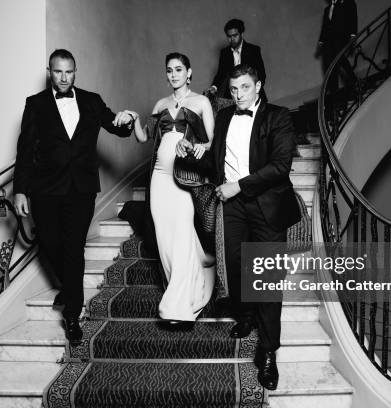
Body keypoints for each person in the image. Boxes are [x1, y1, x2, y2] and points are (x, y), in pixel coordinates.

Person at [13, 49, 134, 341]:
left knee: (73, 248)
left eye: (69, 72)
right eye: (58, 72)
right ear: (50, 72)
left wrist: (125, 120)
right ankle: (69, 288)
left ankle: (72, 317)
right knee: (49, 242)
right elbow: (25, 150)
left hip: (81, 188)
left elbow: (115, 127)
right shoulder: (36, 104)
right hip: (45, 189)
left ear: (75, 72)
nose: (64, 77)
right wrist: (19, 190)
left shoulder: (91, 100)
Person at [198, 64, 301, 390]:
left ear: (258, 86)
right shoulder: (226, 117)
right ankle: (244, 316)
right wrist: (190, 153)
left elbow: (280, 166)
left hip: (266, 204)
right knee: (237, 264)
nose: (238, 95)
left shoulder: (279, 116)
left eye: (244, 87)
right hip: (233, 207)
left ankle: (268, 352)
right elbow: (216, 159)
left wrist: (238, 186)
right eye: (233, 89)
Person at [125, 52, 216, 324]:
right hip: (159, 177)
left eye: (179, 69)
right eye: (169, 70)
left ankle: (180, 303)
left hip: (185, 176)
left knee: (181, 233)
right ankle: (179, 289)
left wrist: (196, 146)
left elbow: (212, 141)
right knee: (165, 237)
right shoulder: (161, 103)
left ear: (189, 72)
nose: (173, 74)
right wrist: (132, 120)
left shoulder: (201, 102)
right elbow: (143, 137)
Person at [206, 19, 267, 100]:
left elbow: (261, 74)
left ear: (242, 34)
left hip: (252, 93)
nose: (232, 39)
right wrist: (214, 87)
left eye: (235, 35)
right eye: (229, 36)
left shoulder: (253, 50)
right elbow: (220, 74)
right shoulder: (225, 53)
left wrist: (253, 90)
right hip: (233, 95)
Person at [317, 0, 358, 94]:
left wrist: (353, 36)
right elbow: (325, 27)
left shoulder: (348, 3)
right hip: (328, 41)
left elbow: (353, 19)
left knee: (338, 57)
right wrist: (320, 42)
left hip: (341, 38)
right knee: (329, 64)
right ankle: (334, 89)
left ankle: (353, 80)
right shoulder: (327, 9)